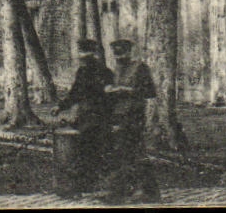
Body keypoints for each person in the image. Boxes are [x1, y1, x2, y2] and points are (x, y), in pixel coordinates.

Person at [55, 38, 113, 198]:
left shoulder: (104, 72)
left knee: (92, 152)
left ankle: (93, 188)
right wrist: (61, 106)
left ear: (93, 54)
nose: (82, 57)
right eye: (81, 53)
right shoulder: (81, 72)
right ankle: (80, 188)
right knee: (83, 152)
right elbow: (74, 93)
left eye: (85, 53)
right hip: (84, 117)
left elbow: (110, 97)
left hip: (99, 118)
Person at [104, 38, 160, 202]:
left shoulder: (140, 68)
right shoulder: (116, 69)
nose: (119, 57)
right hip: (118, 115)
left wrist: (127, 90)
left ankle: (145, 191)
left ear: (129, 52)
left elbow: (150, 91)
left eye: (122, 53)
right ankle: (125, 191)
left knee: (134, 152)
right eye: (116, 54)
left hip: (134, 116)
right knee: (122, 152)